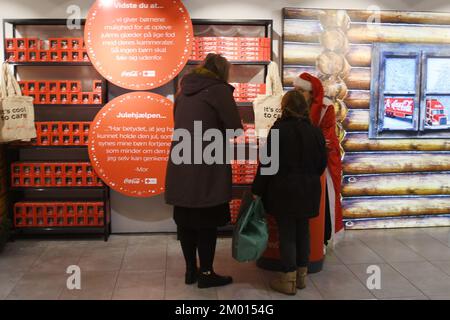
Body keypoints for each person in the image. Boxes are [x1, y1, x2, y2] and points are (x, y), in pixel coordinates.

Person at [165, 53, 243, 289]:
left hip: (181, 161)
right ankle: (207, 273)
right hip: (207, 164)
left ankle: (191, 270)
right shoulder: (219, 91)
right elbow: (235, 129)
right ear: (222, 72)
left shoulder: (181, 92)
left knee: (186, 220)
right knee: (207, 220)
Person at [252, 90, 327, 295]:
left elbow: (267, 165)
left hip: (283, 191)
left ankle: (288, 278)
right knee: (303, 231)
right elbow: (322, 164)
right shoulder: (316, 132)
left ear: (284, 107)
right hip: (309, 191)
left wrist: (256, 190)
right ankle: (302, 276)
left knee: (287, 234)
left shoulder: (278, 131)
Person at [294, 73, 344, 249]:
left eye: (302, 90)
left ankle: (322, 239)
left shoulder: (326, 107)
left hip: (321, 161)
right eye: (296, 90)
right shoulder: (293, 105)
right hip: (298, 162)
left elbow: (327, 137)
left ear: (311, 93)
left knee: (324, 198)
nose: (298, 93)